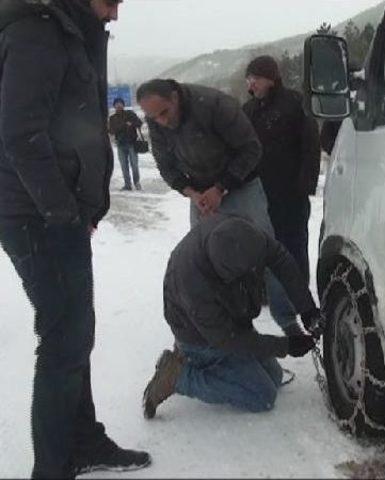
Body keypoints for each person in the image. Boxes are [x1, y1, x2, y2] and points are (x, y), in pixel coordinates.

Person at [0, 0, 151, 477]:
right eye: (112, 1)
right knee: (64, 338)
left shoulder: (67, 33)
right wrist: (63, 211)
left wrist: (83, 204)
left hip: (52, 213)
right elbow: (22, 133)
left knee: (73, 335)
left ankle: (81, 439)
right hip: (36, 216)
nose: (116, 14)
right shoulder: (38, 32)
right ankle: (53, 465)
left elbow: (76, 124)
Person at [137, 79, 306, 336]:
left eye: (164, 113)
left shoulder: (215, 105)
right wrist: (192, 193)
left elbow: (251, 149)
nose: (161, 121)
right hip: (200, 193)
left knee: (266, 250)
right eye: (153, 117)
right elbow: (166, 166)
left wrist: (221, 187)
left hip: (241, 185)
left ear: (174, 97)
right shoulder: (155, 122)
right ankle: (224, 328)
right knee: (203, 260)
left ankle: (287, 320)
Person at [142, 213, 323, 417]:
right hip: (199, 336)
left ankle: (209, 367)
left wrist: (307, 309)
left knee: (274, 376)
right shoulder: (194, 284)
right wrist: (286, 346)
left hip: (232, 318)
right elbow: (228, 340)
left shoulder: (246, 235)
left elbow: (281, 260)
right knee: (262, 395)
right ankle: (179, 377)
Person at [243, 55, 321, 325]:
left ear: (270, 78)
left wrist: (306, 183)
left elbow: (311, 145)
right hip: (260, 194)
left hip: (291, 192)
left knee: (294, 244)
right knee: (265, 244)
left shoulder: (295, 104)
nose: (250, 84)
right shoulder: (249, 110)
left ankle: (299, 295)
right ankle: (268, 292)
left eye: (254, 79)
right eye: (248, 80)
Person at [108, 97, 143, 191]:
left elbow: (139, 123)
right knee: (124, 166)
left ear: (123, 105)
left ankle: (137, 182)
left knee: (134, 164)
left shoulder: (130, 114)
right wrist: (124, 125)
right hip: (120, 144)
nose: (119, 105)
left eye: (120, 103)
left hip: (132, 143)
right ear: (114, 106)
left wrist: (131, 124)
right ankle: (127, 184)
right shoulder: (112, 118)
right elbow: (111, 131)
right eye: (117, 104)